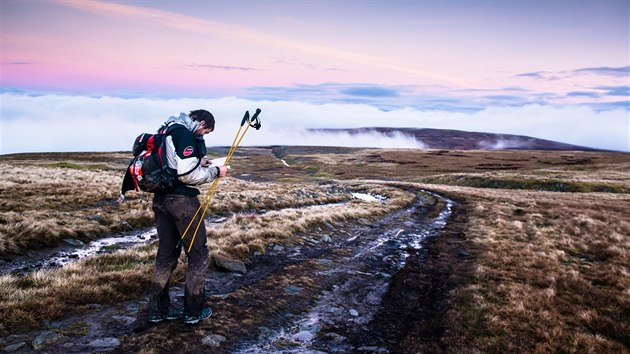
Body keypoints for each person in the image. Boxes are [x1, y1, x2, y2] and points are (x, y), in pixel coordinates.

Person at [148, 109, 228, 325]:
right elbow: (186, 175)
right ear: (201, 122)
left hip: (161, 201)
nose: (203, 135)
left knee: (166, 254)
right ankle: (193, 311)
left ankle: (158, 310)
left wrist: (199, 163)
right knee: (198, 254)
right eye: (205, 131)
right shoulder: (184, 134)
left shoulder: (166, 130)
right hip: (182, 203)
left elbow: (174, 164)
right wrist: (215, 172)